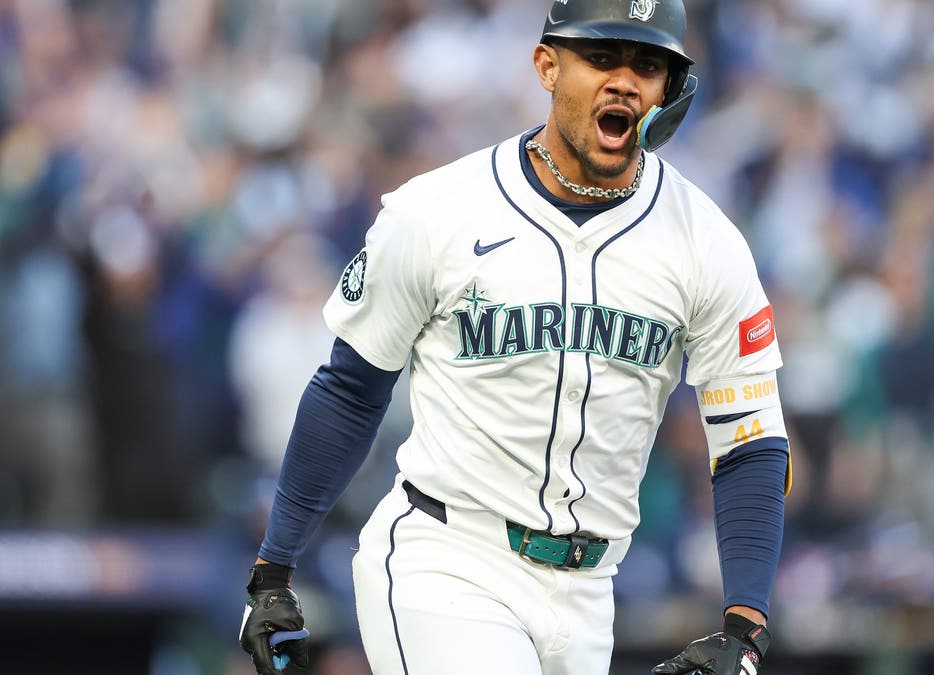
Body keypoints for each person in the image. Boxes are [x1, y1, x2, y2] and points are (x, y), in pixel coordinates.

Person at [237, 1, 791, 673]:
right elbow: (351, 389)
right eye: (601, 56)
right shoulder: (438, 211)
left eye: (649, 64)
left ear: (671, 91)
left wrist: (745, 627)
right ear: (547, 66)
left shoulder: (707, 243)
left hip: (591, 590)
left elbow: (749, 441)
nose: (624, 80)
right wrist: (274, 568)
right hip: (448, 559)